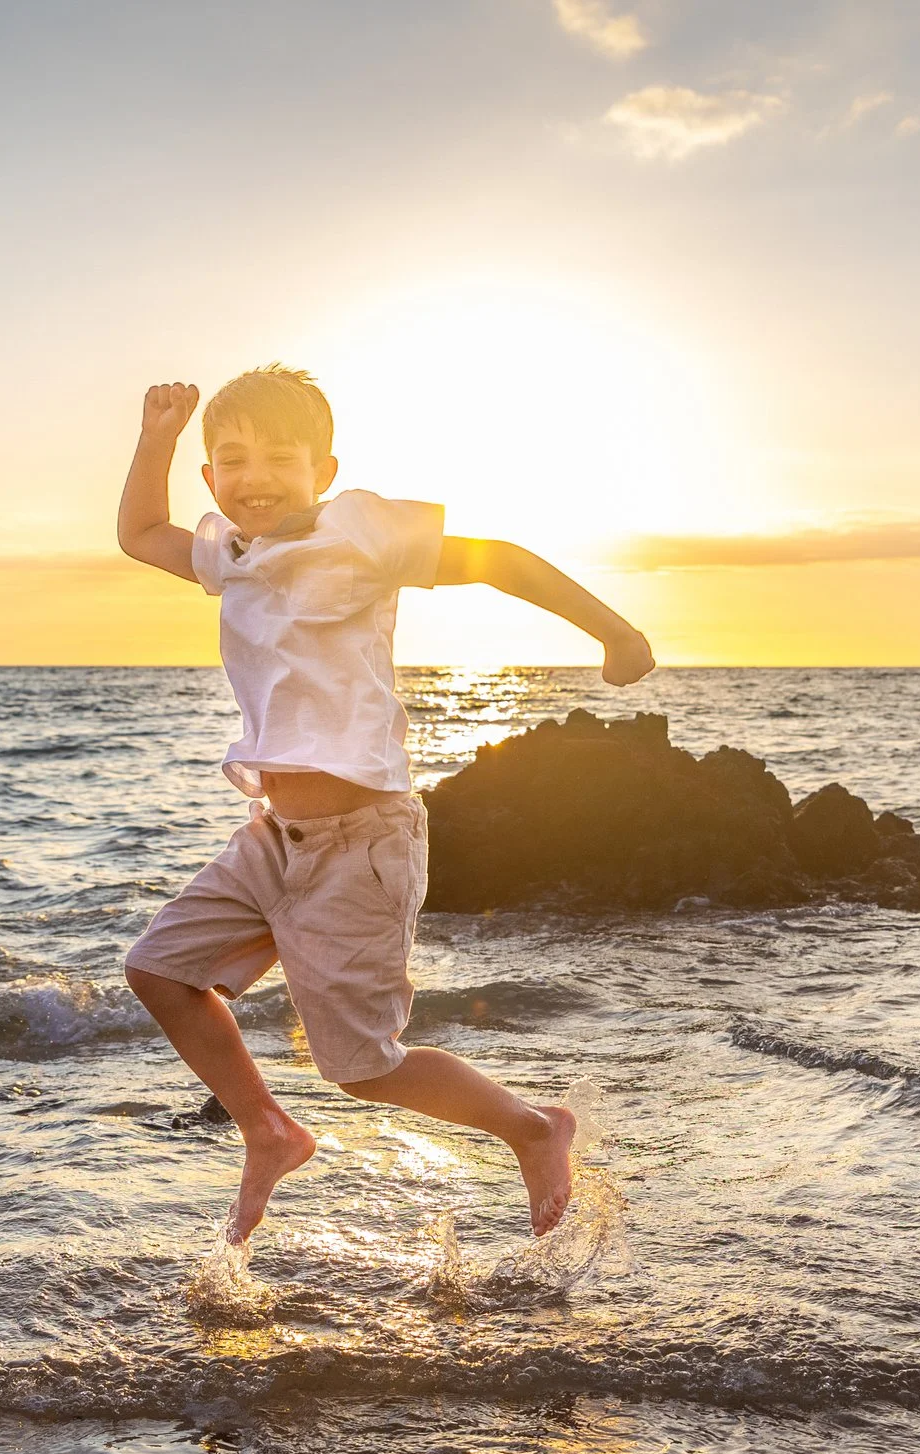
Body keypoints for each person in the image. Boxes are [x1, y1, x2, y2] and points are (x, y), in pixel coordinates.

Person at [116, 365, 655, 1244]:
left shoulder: (358, 528)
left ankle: (532, 1127)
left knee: (362, 1067)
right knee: (160, 970)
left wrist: (615, 631)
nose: (255, 477)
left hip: (363, 841)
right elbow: (141, 532)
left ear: (323, 471)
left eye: (280, 459)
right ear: (210, 478)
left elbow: (501, 561)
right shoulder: (230, 554)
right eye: (233, 459)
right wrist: (156, 440)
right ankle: (268, 1129)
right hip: (273, 839)